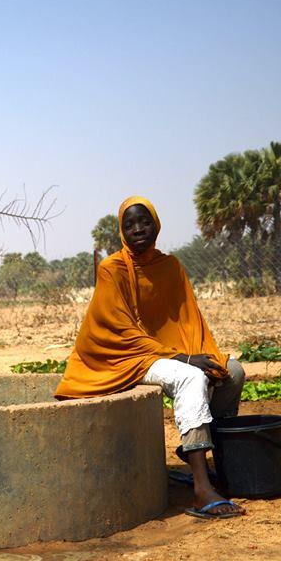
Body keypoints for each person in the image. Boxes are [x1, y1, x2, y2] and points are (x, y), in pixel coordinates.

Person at [54, 196, 246, 520]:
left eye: (144, 222)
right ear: (121, 231)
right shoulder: (111, 269)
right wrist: (184, 359)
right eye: (129, 225)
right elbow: (120, 331)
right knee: (191, 376)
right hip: (128, 357)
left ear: (156, 225)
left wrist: (197, 354)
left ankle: (201, 452)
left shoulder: (170, 267)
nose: (138, 229)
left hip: (167, 352)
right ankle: (201, 488)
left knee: (233, 371)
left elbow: (187, 319)